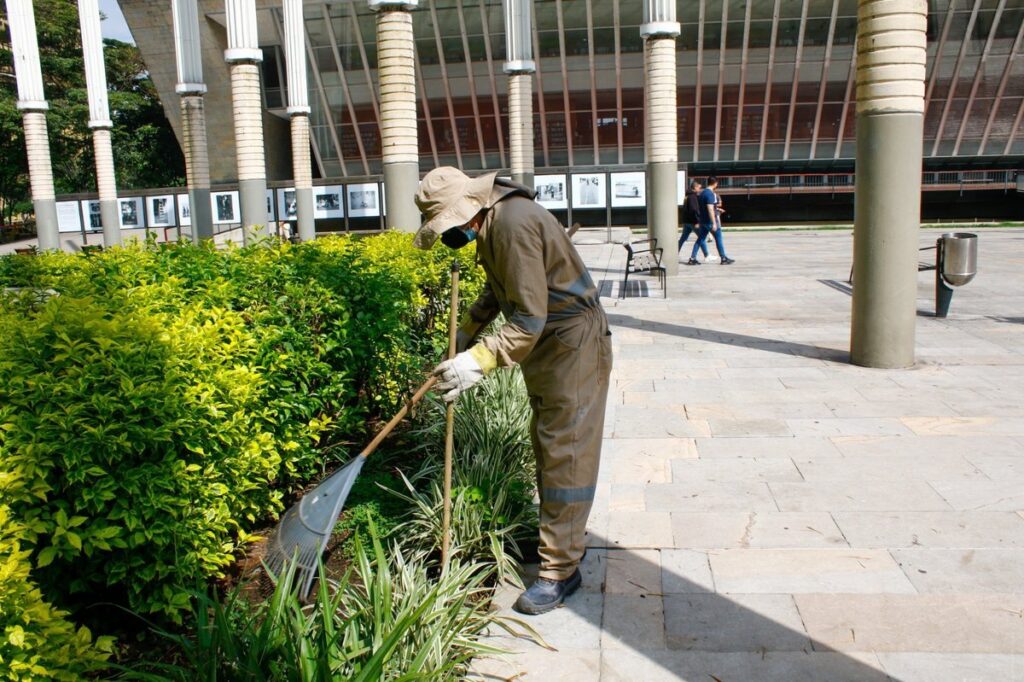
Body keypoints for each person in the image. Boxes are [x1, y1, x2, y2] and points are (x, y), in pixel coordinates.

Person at [413, 167, 612, 616]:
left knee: (566, 454)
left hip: (570, 343)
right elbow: (498, 289)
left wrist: (478, 361)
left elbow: (528, 317)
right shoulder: (494, 222)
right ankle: (559, 543)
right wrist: (465, 333)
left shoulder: (512, 224)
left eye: (447, 226)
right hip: (551, 345)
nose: (449, 236)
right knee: (550, 446)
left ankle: (560, 569)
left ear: (468, 210)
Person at [692, 176, 735, 265]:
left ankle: (692, 258)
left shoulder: (702, 193)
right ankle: (723, 258)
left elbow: (703, 208)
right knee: (718, 238)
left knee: (700, 239)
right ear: (715, 183)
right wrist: (714, 223)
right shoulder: (710, 194)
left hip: (703, 221)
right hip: (710, 221)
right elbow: (710, 208)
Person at [679, 179, 708, 264]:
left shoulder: (687, 196)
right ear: (695, 187)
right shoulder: (692, 196)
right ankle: (698, 256)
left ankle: (674, 253)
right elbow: (694, 210)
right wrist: (697, 221)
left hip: (687, 221)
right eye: (699, 187)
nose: (700, 189)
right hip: (692, 222)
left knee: (683, 238)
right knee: (701, 237)